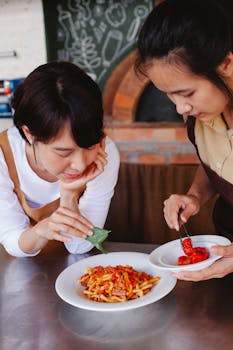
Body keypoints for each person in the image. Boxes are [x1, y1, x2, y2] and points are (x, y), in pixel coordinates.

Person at [136, 0, 233, 281]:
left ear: (225, 63)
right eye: (169, 94)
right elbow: (215, 161)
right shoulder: (201, 116)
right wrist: (195, 195)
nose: (180, 108)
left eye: (187, 93)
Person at [0, 61, 120, 257]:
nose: (81, 164)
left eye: (89, 146)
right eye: (63, 152)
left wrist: (69, 196)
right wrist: (41, 231)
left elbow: (80, 247)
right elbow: (13, 242)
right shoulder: (3, 155)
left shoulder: (105, 153)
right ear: (29, 134)